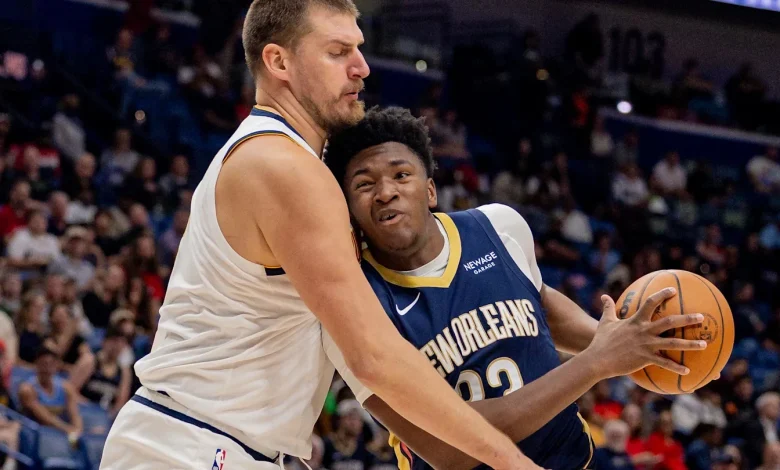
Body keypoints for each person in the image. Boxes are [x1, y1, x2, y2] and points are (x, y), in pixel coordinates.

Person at [100, 1, 534, 469]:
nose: (361, 67)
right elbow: (373, 357)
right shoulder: (284, 168)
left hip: (219, 444)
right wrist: (513, 462)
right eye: (337, 51)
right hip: (194, 444)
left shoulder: (283, 161)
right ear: (278, 61)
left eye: (359, 49)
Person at [322, 106, 708, 469]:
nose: (386, 191)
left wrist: (635, 345)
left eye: (401, 175)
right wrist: (595, 363)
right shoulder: (350, 306)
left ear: (430, 191)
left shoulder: (498, 226)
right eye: (364, 184)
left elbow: (540, 305)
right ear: (349, 211)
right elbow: (448, 451)